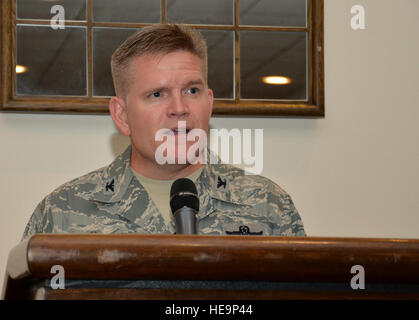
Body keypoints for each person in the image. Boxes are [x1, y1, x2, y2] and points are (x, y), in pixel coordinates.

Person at [22, 24, 305, 239]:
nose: (179, 108)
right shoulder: (62, 215)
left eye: (191, 90)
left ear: (209, 103)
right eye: (157, 94)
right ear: (122, 116)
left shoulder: (268, 206)